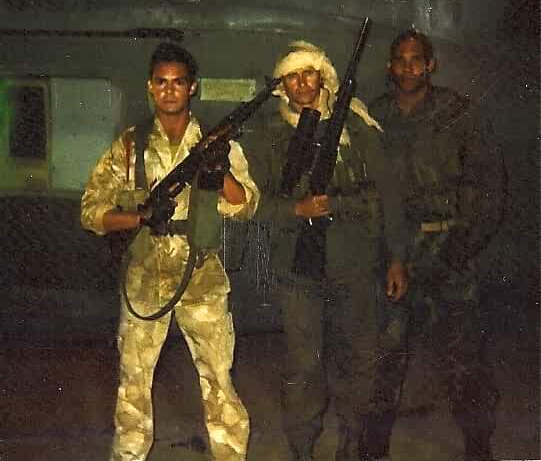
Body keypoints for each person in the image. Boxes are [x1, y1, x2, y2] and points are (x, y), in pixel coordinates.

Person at [80, 42, 259, 461]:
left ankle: (231, 455)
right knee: (133, 382)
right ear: (149, 86)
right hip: (145, 274)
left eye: (178, 82)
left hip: (201, 274)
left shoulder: (215, 142)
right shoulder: (130, 145)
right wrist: (137, 217)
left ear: (192, 87)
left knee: (218, 378)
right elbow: (91, 210)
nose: (169, 90)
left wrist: (219, 168)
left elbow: (247, 204)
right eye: (161, 82)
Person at [241, 40, 409, 461]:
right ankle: (302, 449)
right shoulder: (266, 135)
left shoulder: (357, 126)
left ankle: (351, 444)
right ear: (281, 85)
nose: (302, 83)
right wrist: (295, 209)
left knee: (360, 359)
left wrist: (397, 258)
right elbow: (250, 203)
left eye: (309, 73)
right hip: (298, 270)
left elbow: (389, 194)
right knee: (304, 366)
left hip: (355, 265)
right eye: (292, 76)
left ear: (324, 77)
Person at [368, 29, 505, 461]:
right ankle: (373, 447)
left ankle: (477, 446)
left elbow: (489, 184)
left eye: (416, 60)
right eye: (400, 60)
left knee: (465, 359)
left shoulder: (458, 114)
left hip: (450, 249)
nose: (408, 68)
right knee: (385, 354)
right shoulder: (374, 116)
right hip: (396, 252)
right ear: (389, 67)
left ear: (431, 65)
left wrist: (465, 244)